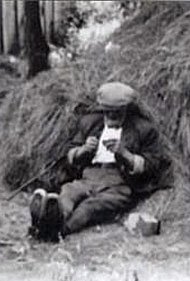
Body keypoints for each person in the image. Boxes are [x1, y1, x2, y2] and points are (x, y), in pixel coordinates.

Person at [29, 81, 172, 241]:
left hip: (119, 184)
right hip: (89, 177)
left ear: (126, 109)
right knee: (68, 193)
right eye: (107, 111)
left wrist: (125, 154)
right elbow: (69, 153)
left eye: (116, 112)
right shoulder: (90, 123)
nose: (111, 116)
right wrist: (83, 150)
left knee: (89, 207)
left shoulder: (143, 129)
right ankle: (50, 215)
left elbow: (153, 164)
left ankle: (54, 231)